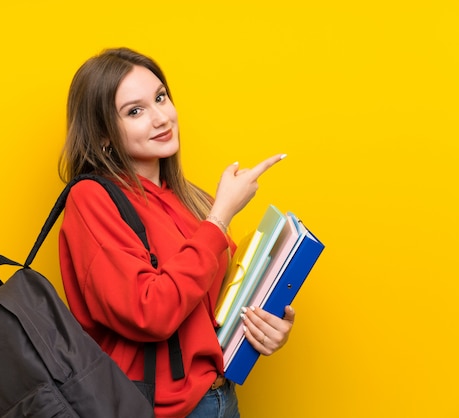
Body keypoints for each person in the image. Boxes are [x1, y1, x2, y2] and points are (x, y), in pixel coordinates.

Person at [57, 47, 295, 418]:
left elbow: (212, 309)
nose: (160, 118)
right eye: (134, 111)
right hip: (161, 410)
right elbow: (149, 311)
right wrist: (219, 218)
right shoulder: (92, 199)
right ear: (103, 135)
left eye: (160, 98)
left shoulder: (186, 199)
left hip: (220, 398)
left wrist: (267, 322)